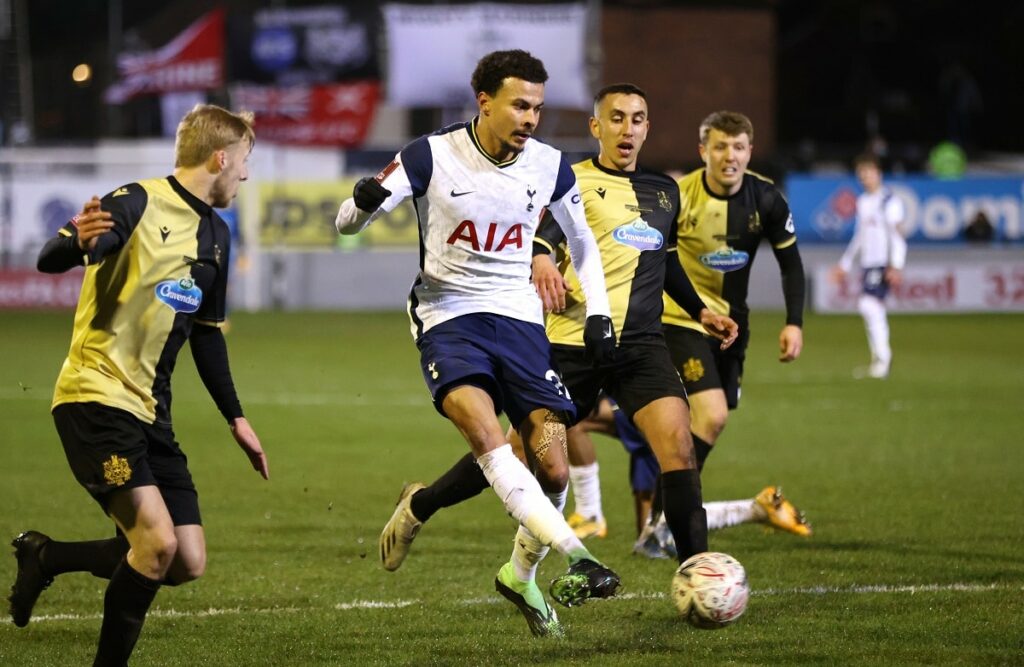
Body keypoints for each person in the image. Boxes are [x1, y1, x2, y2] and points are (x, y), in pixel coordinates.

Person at [371, 83, 739, 637]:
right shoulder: (564, 176)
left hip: (640, 346)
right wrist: (542, 259)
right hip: (569, 344)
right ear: (597, 127)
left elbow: (666, 264)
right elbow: (536, 235)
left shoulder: (664, 191)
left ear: (647, 127)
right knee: (524, 460)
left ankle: (698, 576)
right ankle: (423, 504)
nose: (627, 128)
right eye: (616, 118)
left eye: (638, 118)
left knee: (680, 448)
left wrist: (701, 310)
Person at [334, 51, 621, 638]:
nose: (531, 118)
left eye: (538, 107)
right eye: (519, 105)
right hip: (448, 317)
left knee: (554, 465)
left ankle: (519, 575)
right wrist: (361, 203)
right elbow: (346, 223)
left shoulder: (549, 165)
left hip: (520, 321)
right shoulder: (430, 155)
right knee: (488, 436)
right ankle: (579, 555)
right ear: (483, 101)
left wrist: (599, 313)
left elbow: (581, 240)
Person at [8, 104, 268, 666]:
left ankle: (46, 557)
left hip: (151, 411)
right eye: (245, 161)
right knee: (154, 545)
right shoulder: (137, 200)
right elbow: (52, 256)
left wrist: (237, 417)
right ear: (221, 157)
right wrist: (79, 243)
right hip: (95, 395)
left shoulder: (217, 237)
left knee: (186, 560)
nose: (246, 174)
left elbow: (207, 336)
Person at [570, 110, 811, 556]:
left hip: (731, 326)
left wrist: (794, 321)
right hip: (677, 321)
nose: (729, 156)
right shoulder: (679, 196)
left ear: (749, 152)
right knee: (710, 415)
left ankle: (662, 521)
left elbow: (791, 263)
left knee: (701, 427)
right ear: (704, 151)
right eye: (720, 146)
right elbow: (652, 252)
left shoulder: (767, 199)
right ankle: (666, 523)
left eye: (738, 147)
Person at [831, 152, 907, 379]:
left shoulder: (889, 201)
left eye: (869, 172)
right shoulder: (863, 202)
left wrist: (896, 265)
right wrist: (844, 264)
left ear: (879, 173)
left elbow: (897, 235)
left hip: (882, 263)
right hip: (868, 263)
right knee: (870, 307)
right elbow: (859, 237)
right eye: (861, 174)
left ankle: (883, 358)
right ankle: (880, 358)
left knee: (869, 305)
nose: (865, 177)